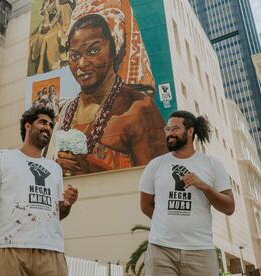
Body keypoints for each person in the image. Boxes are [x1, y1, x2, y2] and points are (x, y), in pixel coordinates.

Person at [0, 106, 78, 276]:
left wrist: (68, 204)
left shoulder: (55, 169)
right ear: (28, 126)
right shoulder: (4, 157)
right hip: (9, 249)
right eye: (43, 122)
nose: (48, 127)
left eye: (51, 125)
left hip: (50, 251)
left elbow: (56, 214)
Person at [54, 6, 166, 176]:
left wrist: (92, 167)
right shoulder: (64, 111)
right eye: (75, 56)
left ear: (114, 50)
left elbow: (158, 181)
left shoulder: (140, 109)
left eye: (93, 50)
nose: (82, 64)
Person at [139, 110, 235, 276]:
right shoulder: (155, 165)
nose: (170, 134)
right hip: (161, 250)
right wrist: (166, 224)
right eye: (167, 129)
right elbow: (146, 205)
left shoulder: (212, 164)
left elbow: (229, 207)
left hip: (200, 250)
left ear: (190, 131)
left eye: (175, 129)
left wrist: (205, 187)